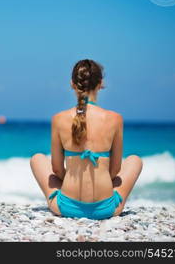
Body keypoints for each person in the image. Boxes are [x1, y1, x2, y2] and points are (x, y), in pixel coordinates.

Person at [30, 59, 142, 219]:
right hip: (106, 208)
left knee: (37, 158)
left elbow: (56, 169)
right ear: (101, 83)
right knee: (135, 160)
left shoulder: (59, 119)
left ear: (72, 84)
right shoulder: (115, 119)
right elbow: (115, 170)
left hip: (66, 206)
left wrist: (71, 179)